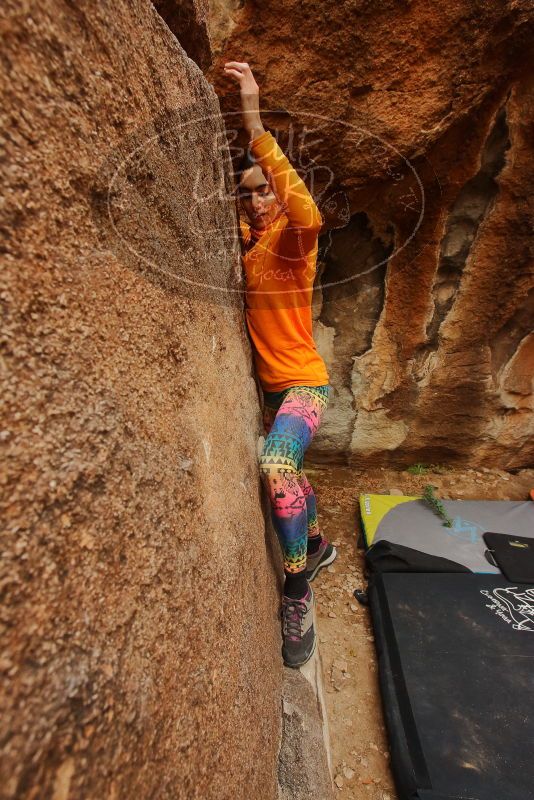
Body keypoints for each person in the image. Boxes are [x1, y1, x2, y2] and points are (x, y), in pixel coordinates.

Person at [223, 61, 337, 668]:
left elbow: (310, 216)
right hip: (274, 392)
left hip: (306, 386)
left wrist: (254, 122)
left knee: (275, 462)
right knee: (290, 473)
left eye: (265, 187)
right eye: (249, 191)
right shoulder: (247, 249)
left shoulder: (290, 246)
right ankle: (315, 542)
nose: (259, 198)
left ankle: (298, 593)